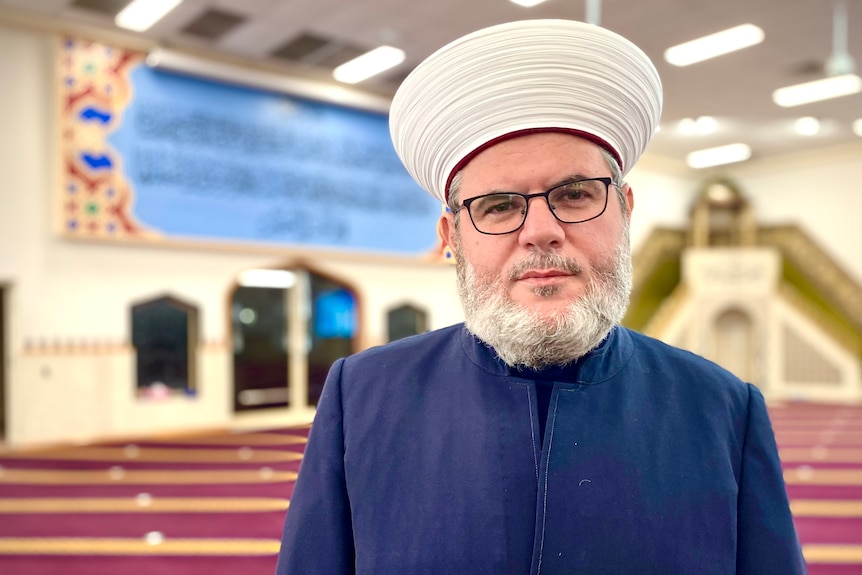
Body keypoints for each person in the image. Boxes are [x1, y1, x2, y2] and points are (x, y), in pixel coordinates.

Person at [275, 19, 806, 575]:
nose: (540, 230)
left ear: (625, 210)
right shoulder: (361, 396)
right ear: (450, 238)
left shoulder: (722, 408)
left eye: (575, 195)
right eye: (499, 206)